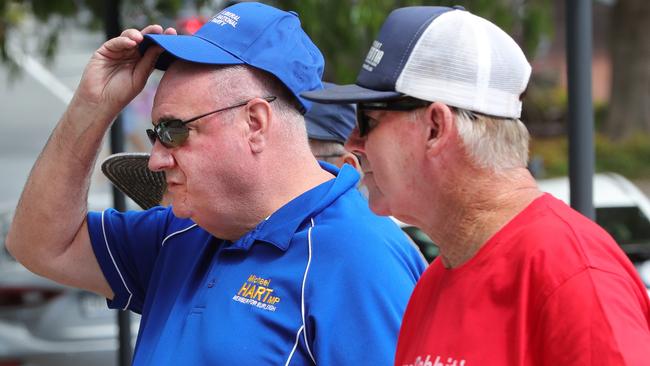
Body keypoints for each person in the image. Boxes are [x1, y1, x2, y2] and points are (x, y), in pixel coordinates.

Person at [6, 2, 426, 365]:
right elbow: (39, 244)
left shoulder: (359, 258)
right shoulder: (184, 232)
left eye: (173, 130)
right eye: (155, 134)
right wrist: (92, 107)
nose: (156, 159)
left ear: (255, 123)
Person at [302, 5, 650, 365]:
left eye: (368, 120)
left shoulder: (573, 274)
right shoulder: (435, 279)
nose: (353, 143)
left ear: (436, 128)